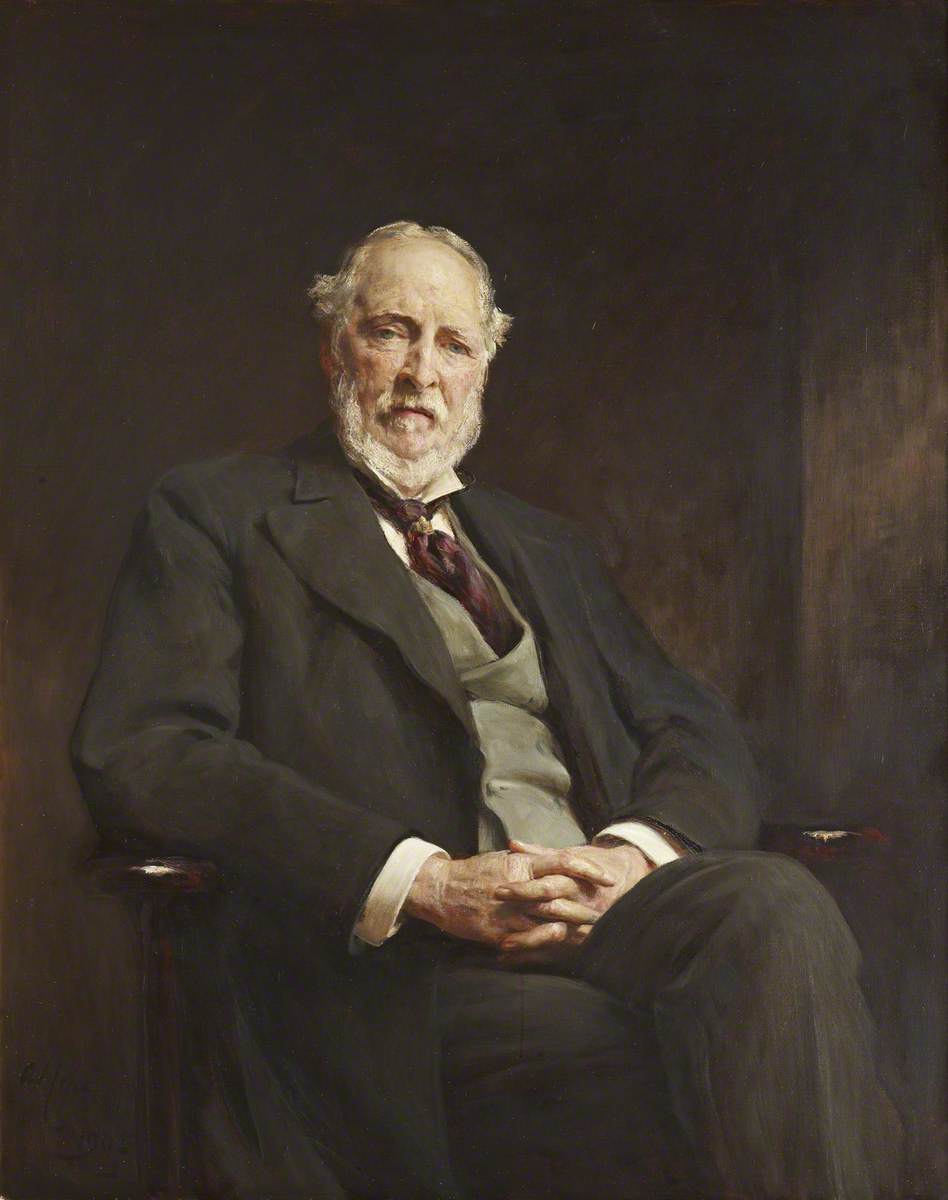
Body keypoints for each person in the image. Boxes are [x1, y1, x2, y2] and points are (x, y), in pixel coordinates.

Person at [72, 221, 900, 1200]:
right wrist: (425, 883)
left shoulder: (543, 546)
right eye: (391, 332)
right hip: (403, 971)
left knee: (778, 909)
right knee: (692, 1046)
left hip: (603, 920)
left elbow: (697, 727)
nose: (421, 374)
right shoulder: (220, 513)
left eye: (454, 345)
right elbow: (148, 750)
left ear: (481, 373)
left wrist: (627, 859)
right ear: (335, 347)